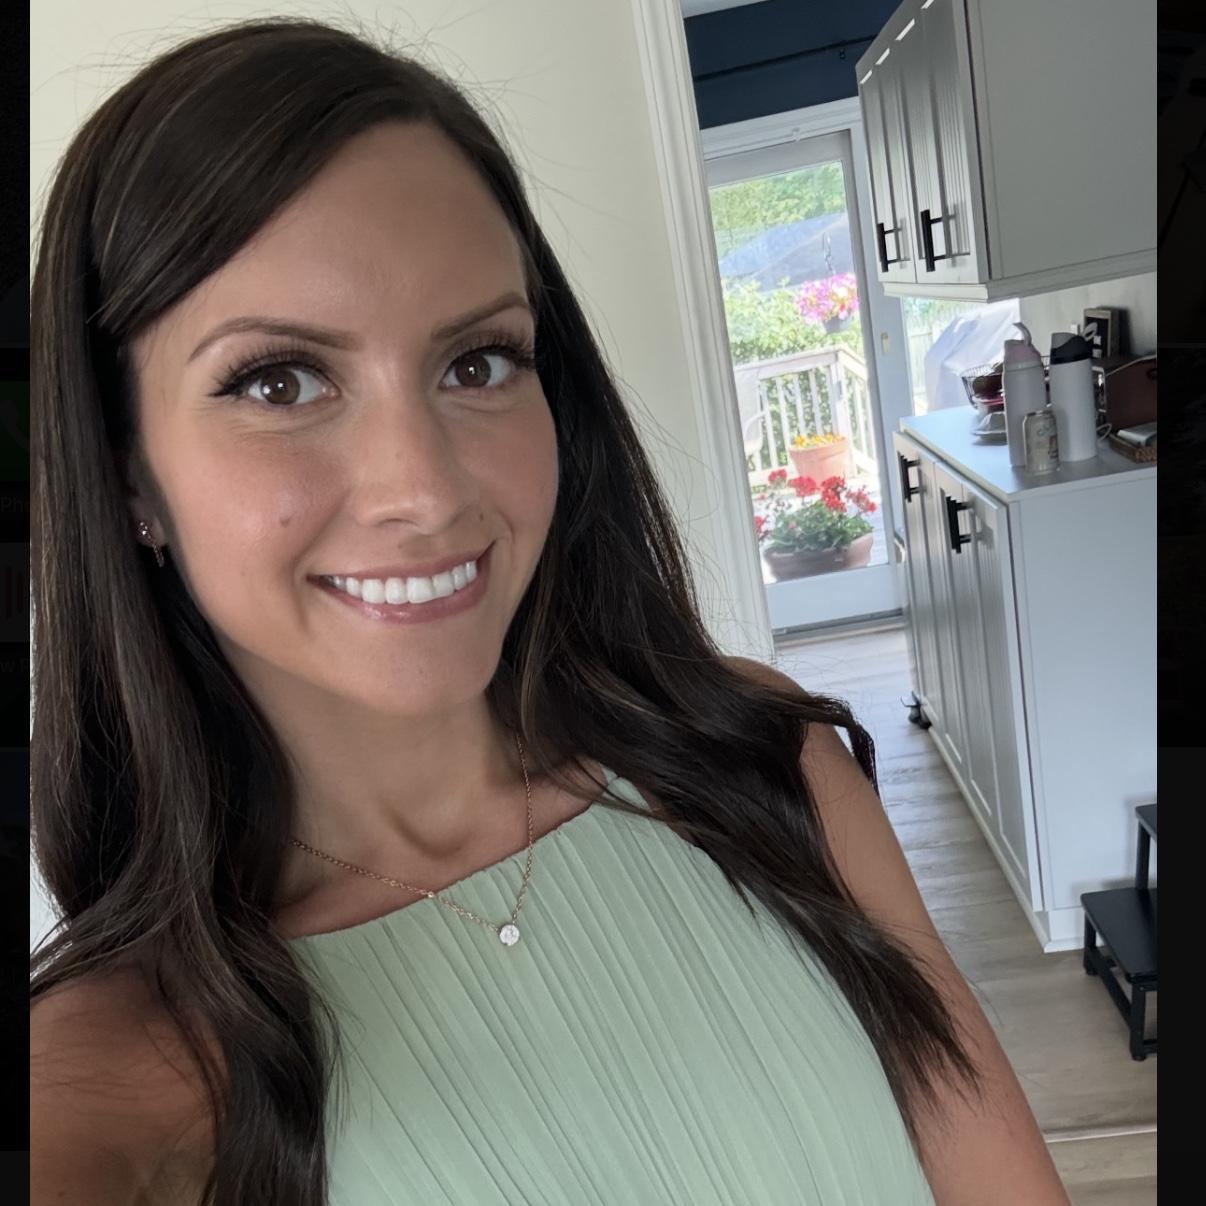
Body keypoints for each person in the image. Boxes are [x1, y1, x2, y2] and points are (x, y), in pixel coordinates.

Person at [29, 17, 1069, 1206]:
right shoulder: (129, 1061)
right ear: (126, 470)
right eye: (279, 380)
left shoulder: (756, 762)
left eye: (477, 362)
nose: (426, 490)